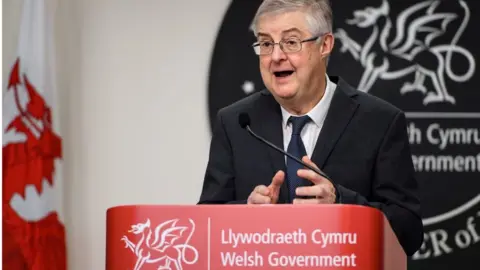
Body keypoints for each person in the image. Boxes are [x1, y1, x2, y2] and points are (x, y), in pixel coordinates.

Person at [198, 0, 423, 256]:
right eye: (266, 43)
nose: (276, 56)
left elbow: (409, 232)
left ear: (324, 45)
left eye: (291, 42)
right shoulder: (236, 122)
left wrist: (341, 204)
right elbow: (206, 222)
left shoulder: (379, 121)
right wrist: (245, 214)